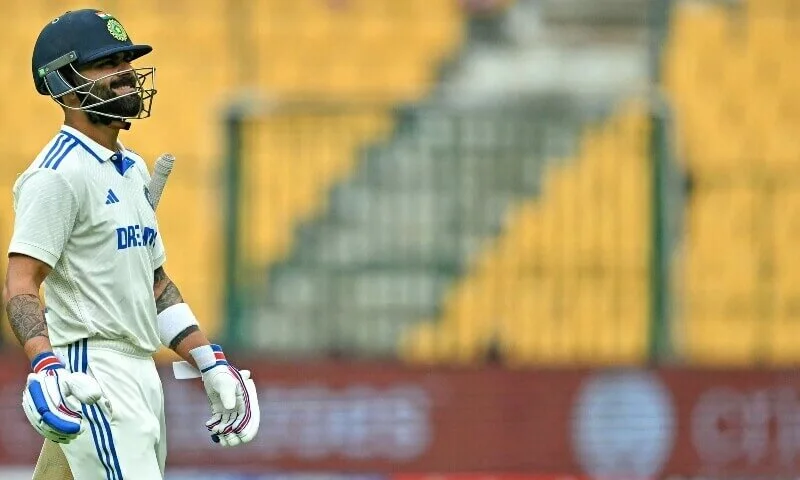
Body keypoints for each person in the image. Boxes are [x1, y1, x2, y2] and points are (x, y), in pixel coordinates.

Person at [2, 8, 260, 479]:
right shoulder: (54, 174)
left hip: (142, 372)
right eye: (106, 64)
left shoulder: (132, 168)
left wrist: (209, 360)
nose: (124, 73)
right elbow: (21, 282)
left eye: (125, 60)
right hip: (93, 372)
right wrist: (45, 364)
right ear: (64, 82)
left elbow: (155, 284)